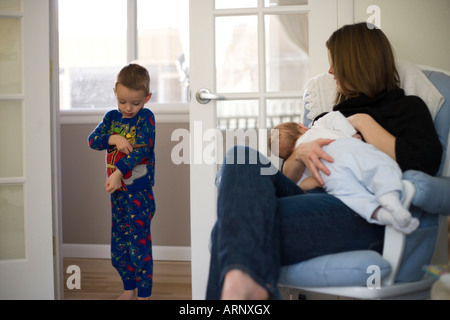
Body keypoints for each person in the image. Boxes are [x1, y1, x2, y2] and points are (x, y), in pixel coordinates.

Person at [206, 23, 443, 300]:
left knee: (226, 230)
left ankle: (245, 289)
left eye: (334, 64)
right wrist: (300, 154)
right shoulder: (327, 117)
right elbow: (291, 178)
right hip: (309, 195)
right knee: (240, 156)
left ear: (357, 65)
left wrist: (364, 123)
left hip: (359, 209)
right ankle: (248, 289)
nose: (330, 72)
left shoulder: (407, 108)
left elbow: (423, 163)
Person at [269, 111, 419, 234]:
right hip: (346, 148)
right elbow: (334, 116)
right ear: (302, 127)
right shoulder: (318, 126)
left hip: (328, 173)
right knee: (381, 167)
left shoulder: (301, 163)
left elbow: (303, 184)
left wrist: (321, 180)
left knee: (351, 197)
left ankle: (383, 215)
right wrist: (351, 133)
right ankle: (391, 201)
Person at [88, 63, 156, 300]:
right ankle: (128, 288)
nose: (128, 108)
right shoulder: (111, 118)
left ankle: (144, 294)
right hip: (117, 195)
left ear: (146, 98)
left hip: (139, 194)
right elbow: (93, 141)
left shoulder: (146, 118)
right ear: (115, 92)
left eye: (135, 103)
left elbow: (143, 150)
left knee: (139, 246)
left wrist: (118, 173)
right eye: (123, 101)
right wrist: (113, 138)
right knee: (119, 246)